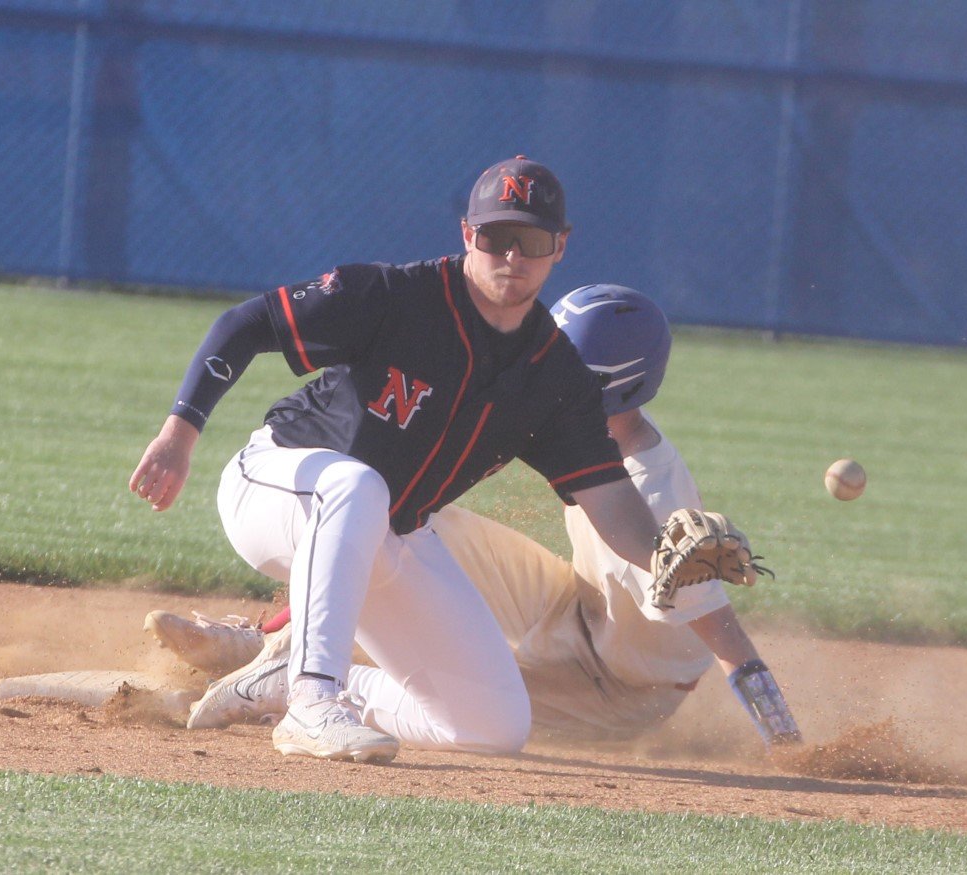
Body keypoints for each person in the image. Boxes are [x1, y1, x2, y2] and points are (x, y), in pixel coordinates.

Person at [130, 157, 681, 764]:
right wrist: (180, 434)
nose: (512, 257)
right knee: (358, 485)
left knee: (493, 725)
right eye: (497, 237)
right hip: (276, 488)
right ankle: (315, 706)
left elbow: (612, 503)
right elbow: (246, 323)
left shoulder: (553, 377)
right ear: (469, 234)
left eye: (532, 240)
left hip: (387, 535)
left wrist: (671, 558)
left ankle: (291, 679)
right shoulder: (395, 296)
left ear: (560, 248)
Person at [151, 284, 801, 749]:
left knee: (478, 708)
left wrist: (784, 733)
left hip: (614, 686)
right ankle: (269, 639)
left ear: (611, 384)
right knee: (407, 512)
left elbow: (723, 634)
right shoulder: (574, 415)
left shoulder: (655, 496)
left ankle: (308, 678)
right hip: (574, 605)